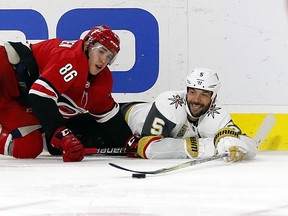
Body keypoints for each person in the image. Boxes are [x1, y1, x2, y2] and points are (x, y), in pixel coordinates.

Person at [0, 25, 132, 162]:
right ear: (88, 45)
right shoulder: (71, 57)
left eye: (109, 56)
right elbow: (40, 96)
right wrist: (61, 135)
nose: (103, 60)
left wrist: (131, 141)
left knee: (29, 146)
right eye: (101, 51)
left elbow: (110, 118)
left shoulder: (101, 81)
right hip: (5, 70)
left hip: (15, 99)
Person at [122, 67, 257, 162]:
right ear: (186, 91)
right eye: (192, 92)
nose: (196, 100)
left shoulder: (217, 114)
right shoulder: (169, 103)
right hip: (123, 119)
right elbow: (148, 148)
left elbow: (247, 143)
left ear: (214, 98)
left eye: (204, 95)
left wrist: (234, 145)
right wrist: (209, 147)